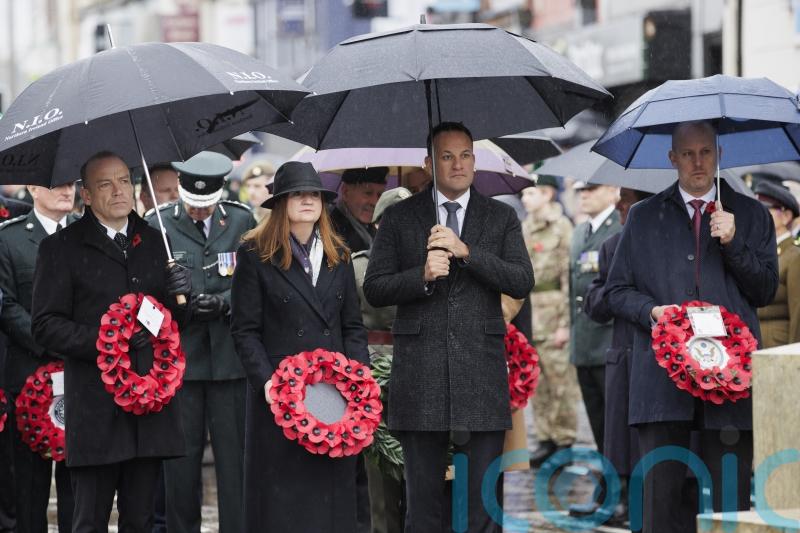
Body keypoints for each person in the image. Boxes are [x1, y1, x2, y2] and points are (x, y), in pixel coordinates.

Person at [605, 120, 778, 533]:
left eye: (706, 152)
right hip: (662, 380)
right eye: (688, 153)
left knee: (730, 500)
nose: (698, 162)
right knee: (660, 500)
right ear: (672, 159)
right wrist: (653, 312)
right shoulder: (644, 217)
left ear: (720, 155)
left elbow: (766, 289)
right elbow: (616, 291)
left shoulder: (751, 214)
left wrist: (734, 243)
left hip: (731, 381)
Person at [363, 122, 534, 532]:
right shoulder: (402, 218)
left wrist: (467, 253)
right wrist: (420, 275)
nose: (458, 164)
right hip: (421, 375)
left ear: (475, 160)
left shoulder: (501, 216)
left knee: (482, 506)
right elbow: (375, 288)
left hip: (480, 372)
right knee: (422, 508)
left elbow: (520, 279)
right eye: (447, 156)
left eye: (465, 155)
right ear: (428, 163)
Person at [30, 151, 193, 533]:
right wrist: (107, 343)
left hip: (150, 408)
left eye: (124, 181)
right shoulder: (61, 248)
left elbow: (173, 323)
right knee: (89, 520)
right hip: (96, 408)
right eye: (105, 183)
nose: (118, 191)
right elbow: (46, 325)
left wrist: (185, 297)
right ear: (85, 194)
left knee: (141, 520)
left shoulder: (156, 242)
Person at [230, 161, 368, 532]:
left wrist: (361, 383)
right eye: (297, 194)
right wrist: (269, 385)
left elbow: (352, 327)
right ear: (280, 203)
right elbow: (244, 330)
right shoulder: (255, 254)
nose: (307, 200)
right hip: (280, 397)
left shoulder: (340, 254)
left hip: (333, 394)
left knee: (332, 493)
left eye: (314, 194)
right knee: (285, 501)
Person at [145, 151, 254, 533]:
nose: (199, 214)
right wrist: (177, 305)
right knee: (180, 465)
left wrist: (223, 303)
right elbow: (144, 297)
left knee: (234, 465)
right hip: (180, 365)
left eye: (207, 207)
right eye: (193, 205)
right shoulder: (157, 225)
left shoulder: (241, 219)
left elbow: (257, 285)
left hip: (229, 362)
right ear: (180, 192)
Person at [0, 182, 78, 532]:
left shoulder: (87, 233)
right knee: (29, 490)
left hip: (81, 375)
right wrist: (49, 340)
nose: (67, 190)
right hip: (29, 374)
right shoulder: (9, 239)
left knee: (79, 487)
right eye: (56, 184)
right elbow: (5, 304)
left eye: (71, 184)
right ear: (33, 187)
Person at [581, 186, 652, 525]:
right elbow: (595, 304)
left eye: (629, 203)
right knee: (620, 442)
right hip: (625, 356)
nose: (622, 209)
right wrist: (616, 290)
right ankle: (620, 497)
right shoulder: (612, 246)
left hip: (661, 357)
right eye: (621, 203)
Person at [353, 187, 412, 533]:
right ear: (377, 226)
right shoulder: (359, 265)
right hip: (375, 369)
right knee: (380, 474)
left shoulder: (434, 263)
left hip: (421, 370)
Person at [519, 177, 580, 466]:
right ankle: (545, 438)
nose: (524, 199)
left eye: (531, 193)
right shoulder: (525, 227)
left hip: (554, 310)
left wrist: (565, 324)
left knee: (561, 382)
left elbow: (569, 277)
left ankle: (564, 441)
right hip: (532, 312)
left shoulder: (562, 226)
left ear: (547, 193)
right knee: (538, 381)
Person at [569, 181, 620, 456]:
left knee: (615, 422)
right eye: (580, 190)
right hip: (585, 343)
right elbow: (573, 289)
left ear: (613, 191)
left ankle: (621, 481)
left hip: (608, 340)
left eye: (592, 188)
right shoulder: (579, 232)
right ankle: (608, 475)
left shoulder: (619, 228)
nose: (585, 194)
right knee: (596, 420)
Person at [754, 180, 800, 347]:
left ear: (786, 216)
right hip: (755, 341)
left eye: (766, 210)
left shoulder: (794, 256)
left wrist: (794, 355)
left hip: (779, 345)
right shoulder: (758, 255)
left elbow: (798, 311)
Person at [329, 167, 388, 253]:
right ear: (346, 192)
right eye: (368, 193)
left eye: (380, 195)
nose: (375, 202)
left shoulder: (377, 230)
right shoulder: (331, 233)